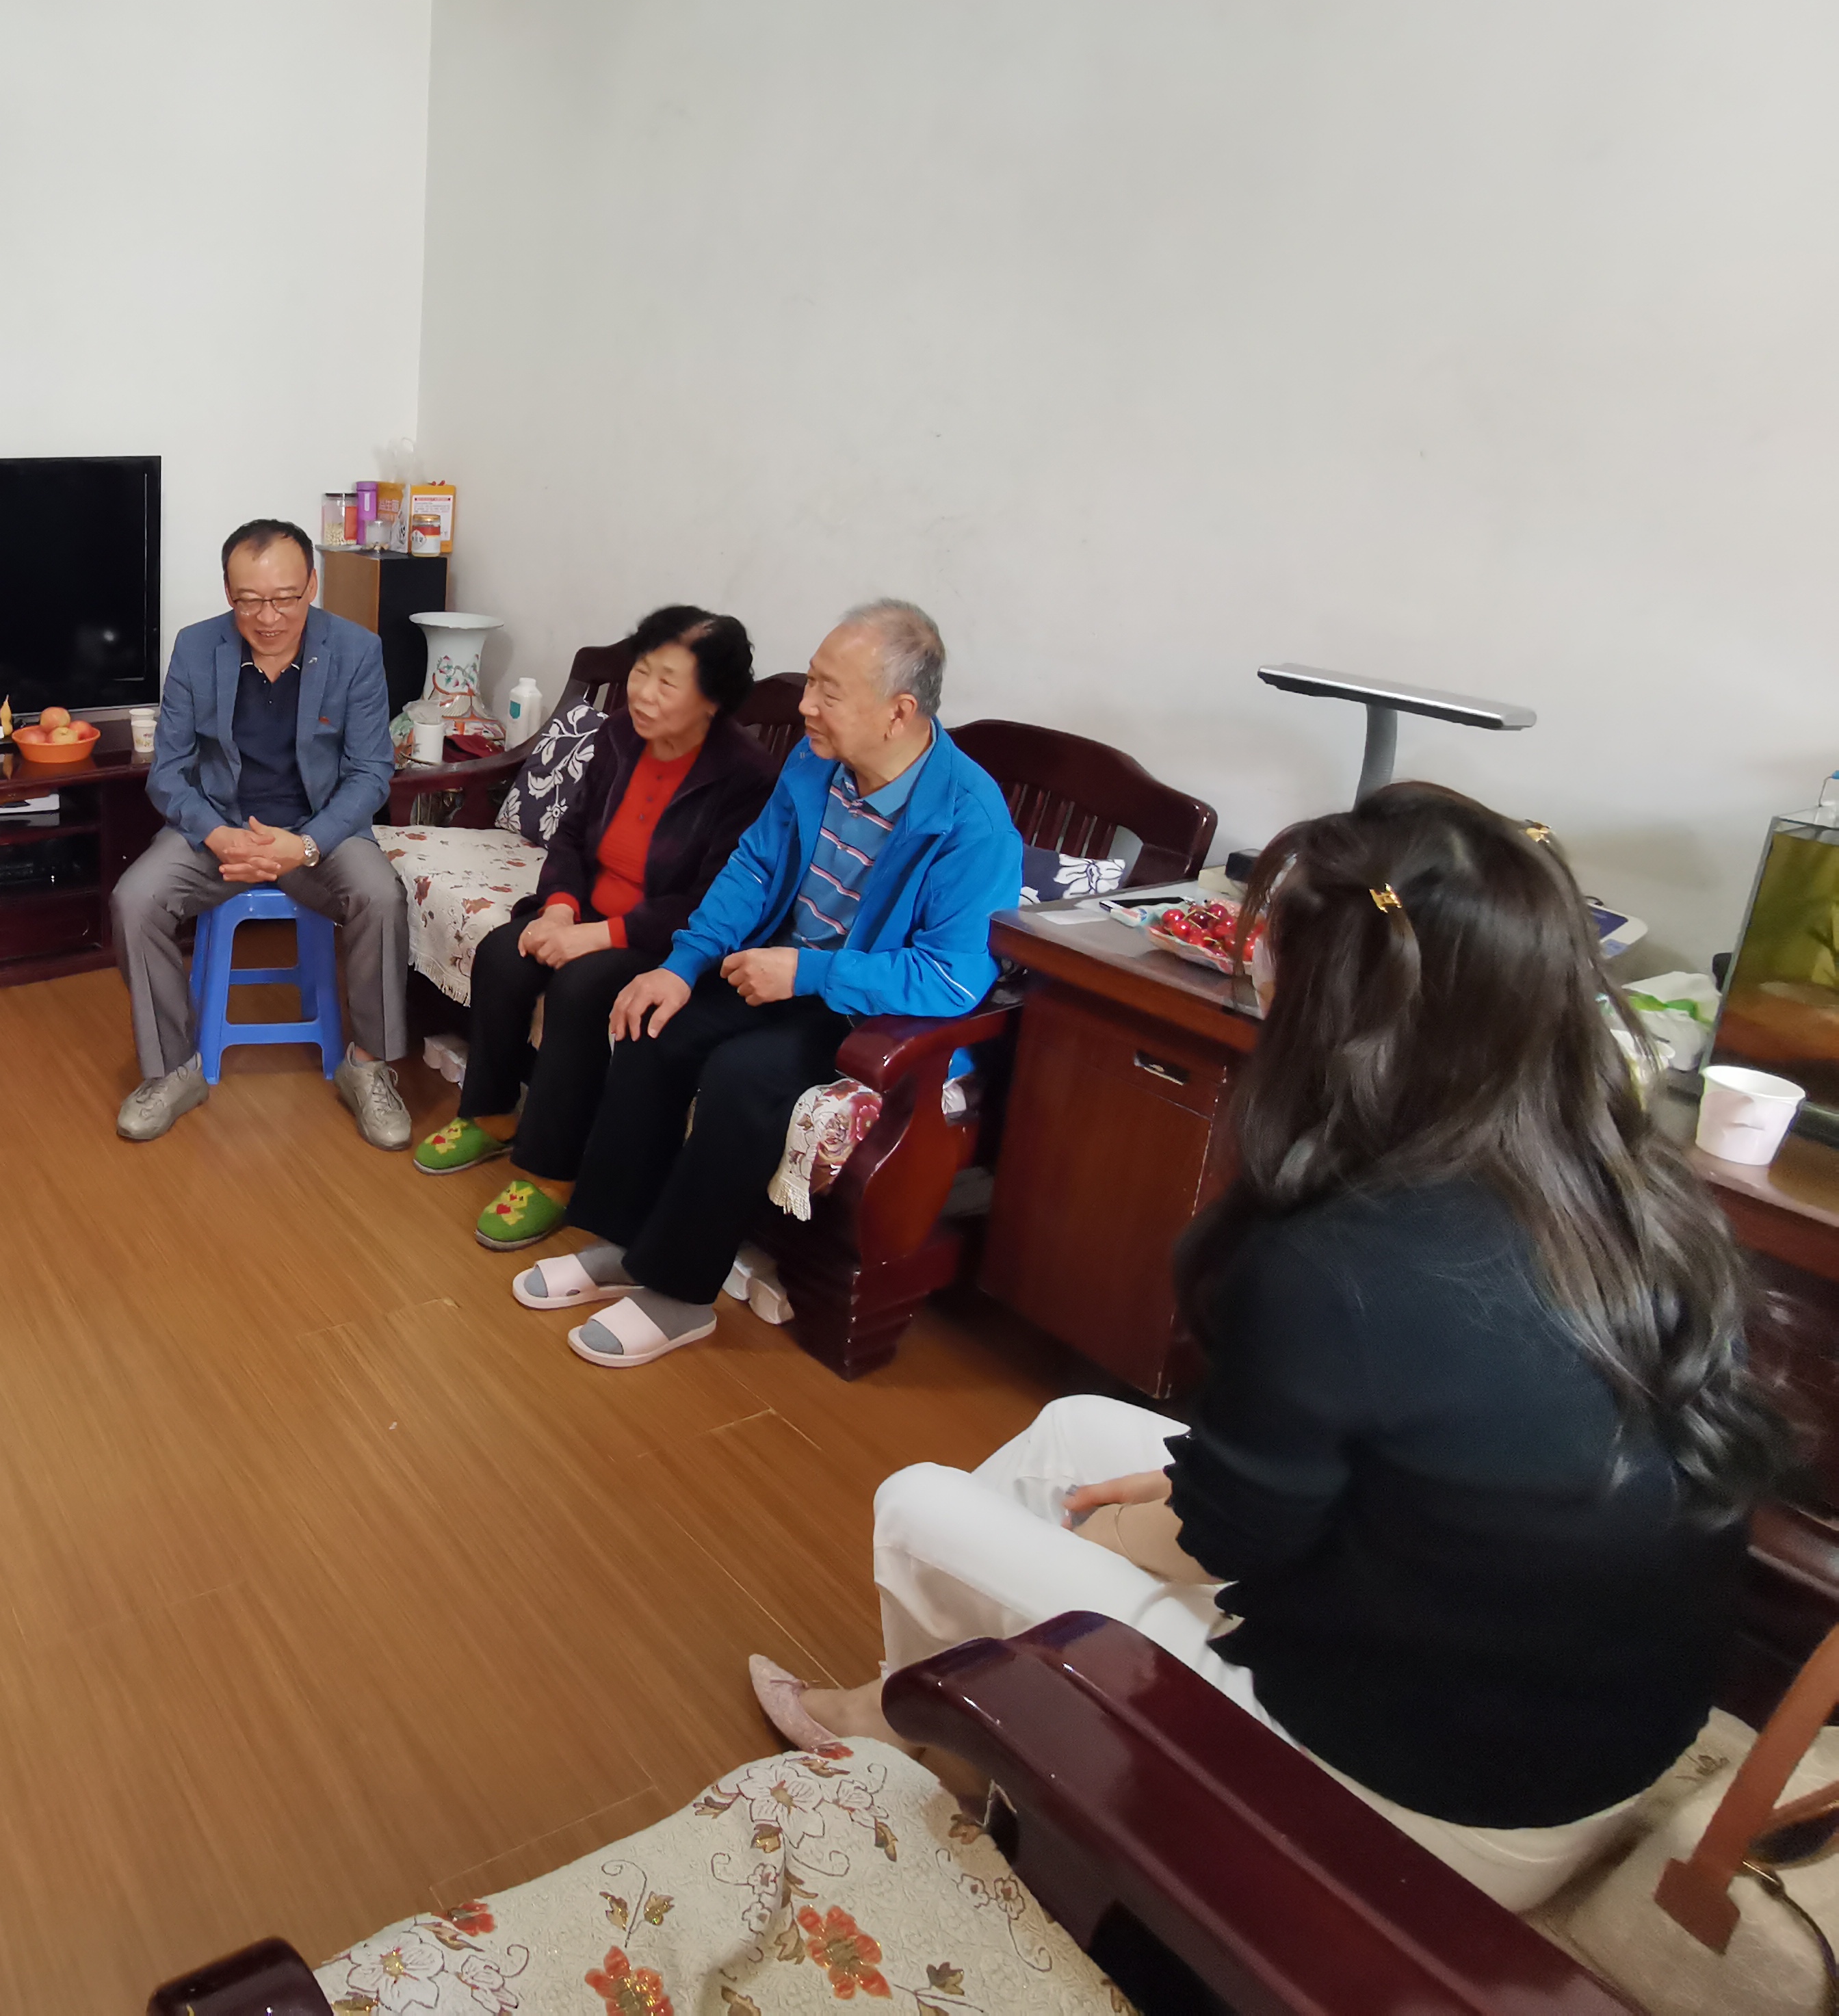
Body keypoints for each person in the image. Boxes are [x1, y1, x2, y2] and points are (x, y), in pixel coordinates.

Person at [749, 787, 1788, 1913]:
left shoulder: (1338, 1258)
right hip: (1590, 1731)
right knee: (1072, 1429)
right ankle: (937, 1716)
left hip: (1448, 1801)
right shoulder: (1630, 1188)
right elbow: (1424, 1454)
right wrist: (1179, 1502)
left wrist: (1136, 1529)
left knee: (919, 1504)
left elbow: (1226, 1537)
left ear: (1334, 1003)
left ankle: (902, 1727)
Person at [510, 601, 1020, 1366]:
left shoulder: (969, 822)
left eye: (828, 692)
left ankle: (681, 1296)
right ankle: (624, 1242)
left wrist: (809, 971)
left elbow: (951, 978)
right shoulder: (816, 765)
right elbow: (751, 869)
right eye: (810, 682)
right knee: (649, 1021)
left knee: (744, 1074)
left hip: (863, 1010)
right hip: (778, 968)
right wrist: (681, 965)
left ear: (898, 712)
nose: (805, 706)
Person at [415, 607, 781, 1256]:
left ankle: (550, 1173)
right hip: (585, 910)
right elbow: (573, 835)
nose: (643, 693)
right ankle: (491, 1115)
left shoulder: (746, 777)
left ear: (713, 699)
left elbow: (709, 900)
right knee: (505, 950)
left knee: (582, 989)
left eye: (668, 682)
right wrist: (559, 909)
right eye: (642, 672)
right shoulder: (618, 735)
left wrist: (597, 936)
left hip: (663, 939)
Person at [113, 519, 410, 1148]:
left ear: (312, 587)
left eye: (285, 598)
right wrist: (218, 836)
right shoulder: (197, 648)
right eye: (249, 601)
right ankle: (173, 1071)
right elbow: (166, 772)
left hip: (320, 834)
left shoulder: (356, 650)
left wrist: (305, 844)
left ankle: (367, 1066)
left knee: (381, 896)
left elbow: (370, 773)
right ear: (228, 592)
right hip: (218, 831)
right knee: (135, 900)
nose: (268, 617)